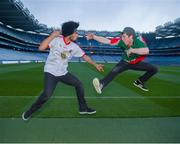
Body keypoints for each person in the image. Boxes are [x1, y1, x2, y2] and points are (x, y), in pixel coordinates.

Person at [22, 21, 104, 120]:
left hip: (63, 73)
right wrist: (52, 36)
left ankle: (83, 108)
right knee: (47, 95)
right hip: (51, 72)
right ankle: (30, 111)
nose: (77, 34)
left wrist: (95, 65)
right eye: (76, 32)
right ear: (70, 33)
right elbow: (41, 48)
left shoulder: (74, 47)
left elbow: (85, 56)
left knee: (79, 84)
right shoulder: (56, 40)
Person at [86, 27, 158, 93]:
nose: (122, 39)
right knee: (113, 72)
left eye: (124, 37)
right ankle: (101, 84)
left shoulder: (138, 42)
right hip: (125, 62)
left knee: (154, 69)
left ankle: (140, 81)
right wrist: (94, 37)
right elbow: (107, 41)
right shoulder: (121, 42)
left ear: (131, 37)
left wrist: (132, 50)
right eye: (122, 37)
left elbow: (146, 50)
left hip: (136, 63)